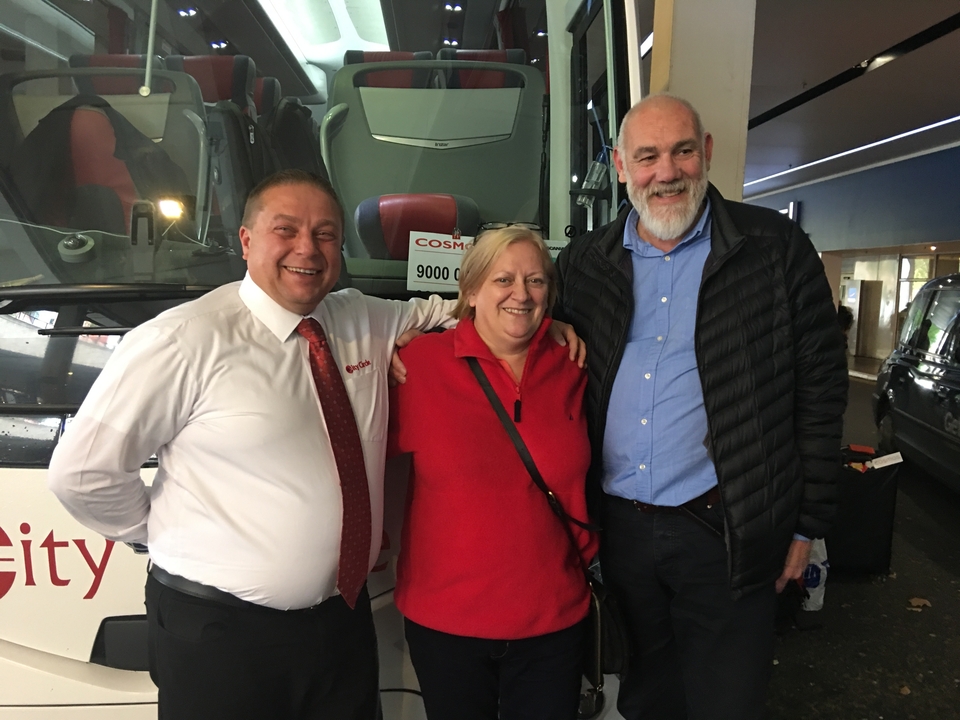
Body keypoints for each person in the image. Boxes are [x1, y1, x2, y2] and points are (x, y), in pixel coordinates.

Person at [46, 169, 577, 720]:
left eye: (325, 234)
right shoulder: (182, 340)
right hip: (222, 635)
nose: (308, 248)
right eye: (287, 230)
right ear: (247, 240)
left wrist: (546, 328)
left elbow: (455, 310)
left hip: (339, 622)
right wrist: (157, 530)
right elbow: (82, 475)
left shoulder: (358, 317)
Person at [553, 94, 848, 720]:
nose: (668, 172)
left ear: (706, 152)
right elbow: (528, 332)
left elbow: (821, 393)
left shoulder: (775, 249)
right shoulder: (585, 262)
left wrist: (807, 525)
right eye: (649, 156)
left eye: (683, 151)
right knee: (644, 695)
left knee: (727, 699)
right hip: (622, 527)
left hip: (728, 525)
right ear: (622, 164)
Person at [388, 226, 598, 720]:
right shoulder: (415, 365)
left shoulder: (575, 362)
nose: (521, 294)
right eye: (503, 279)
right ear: (472, 290)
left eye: (536, 281)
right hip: (447, 624)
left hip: (553, 619)